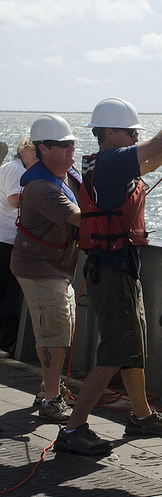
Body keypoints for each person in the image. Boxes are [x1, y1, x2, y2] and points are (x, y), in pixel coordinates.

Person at [55, 93, 162, 456]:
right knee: (115, 352)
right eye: (130, 132)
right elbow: (158, 145)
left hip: (118, 271)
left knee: (131, 348)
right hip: (113, 273)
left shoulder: (109, 164)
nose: (135, 138)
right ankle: (72, 429)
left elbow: (155, 158)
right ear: (109, 133)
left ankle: (142, 416)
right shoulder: (112, 160)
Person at [11, 116, 82, 423]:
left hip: (56, 268)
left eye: (72, 144)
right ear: (43, 149)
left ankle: (48, 389)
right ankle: (51, 400)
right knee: (53, 333)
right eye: (63, 145)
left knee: (61, 328)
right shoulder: (41, 187)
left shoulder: (68, 176)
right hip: (39, 269)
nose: (71, 149)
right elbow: (80, 219)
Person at [0, 137, 37, 357]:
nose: (37, 155)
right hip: (6, 240)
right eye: (33, 150)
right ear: (22, 150)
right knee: (8, 293)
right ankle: (4, 343)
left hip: (8, 239)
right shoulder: (15, 169)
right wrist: (41, 192)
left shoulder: (15, 169)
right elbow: (14, 199)